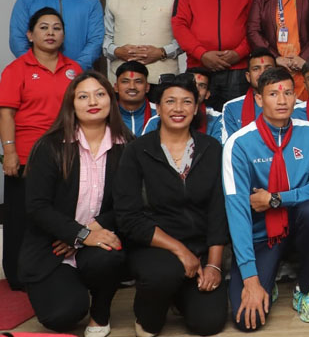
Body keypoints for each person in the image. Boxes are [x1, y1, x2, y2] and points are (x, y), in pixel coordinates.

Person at [114, 74, 228, 336]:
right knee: (164, 275)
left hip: (200, 247)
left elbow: (218, 209)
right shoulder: (137, 151)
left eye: (187, 102)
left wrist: (214, 264)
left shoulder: (211, 149)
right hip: (154, 246)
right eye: (170, 101)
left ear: (196, 107)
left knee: (208, 324)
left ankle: (177, 296)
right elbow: (129, 217)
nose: (179, 108)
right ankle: (147, 316)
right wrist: (180, 250)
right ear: (158, 107)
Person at [20, 71, 127, 336]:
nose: (93, 101)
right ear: (71, 103)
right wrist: (78, 234)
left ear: (111, 100)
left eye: (100, 94)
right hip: (53, 248)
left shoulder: (127, 146)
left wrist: (88, 233)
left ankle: (100, 313)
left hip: (99, 241)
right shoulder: (50, 146)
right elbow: (37, 206)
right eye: (83, 96)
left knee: (108, 257)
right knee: (62, 315)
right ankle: (70, 287)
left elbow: (131, 205)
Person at [223, 67, 309, 328]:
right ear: (259, 99)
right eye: (273, 94)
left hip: (299, 225)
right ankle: (267, 278)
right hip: (262, 235)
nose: (282, 101)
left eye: (288, 93)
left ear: (296, 97)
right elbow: (237, 213)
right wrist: (251, 280)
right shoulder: (239, 143)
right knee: (247, 321)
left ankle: (304, 288)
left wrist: (276, 199)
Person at [0, 7, 82, 290]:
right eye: (44, 27)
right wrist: (9, 152)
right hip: (27, 154)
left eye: (57, 28)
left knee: (58, 215)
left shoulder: (74, 69)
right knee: (21, 217)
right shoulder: (17, 69)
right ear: (30, 35)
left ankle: (54, 271)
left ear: (63, 35)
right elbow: (6, 114)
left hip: (65, 154)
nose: (50, 33)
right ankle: (17, 275)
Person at [171, 0, 256, 110]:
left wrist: (238, 53)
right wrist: (201, 54)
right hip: (199, 68)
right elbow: (179, 24)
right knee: (196, 118)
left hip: (237, 70)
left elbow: (255, 27)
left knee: (236, 118)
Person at [103, 0, 180, 82]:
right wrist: (117, 51)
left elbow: (184, 38)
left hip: (163, 80)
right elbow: (107, 37)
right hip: (123, 80)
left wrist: (162, 52)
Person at [221, 48, 306, 142]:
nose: (262, 73)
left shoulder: (298, 106)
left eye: (268, 68)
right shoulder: (232, 108)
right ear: (248, 76)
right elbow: (232, 145)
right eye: (256, 69)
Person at [142, 67, 223, 142]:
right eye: (170, 101)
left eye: (201, 86)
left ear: (208, 94)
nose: (196, 89)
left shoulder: (217, 119)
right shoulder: (155, 121)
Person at [114, 61, 155, 137]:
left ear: (147, 87)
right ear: (116, 87)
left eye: (138, 82)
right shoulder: (106, 113)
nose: (132, 87)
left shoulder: (160, 113)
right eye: (125, 82)